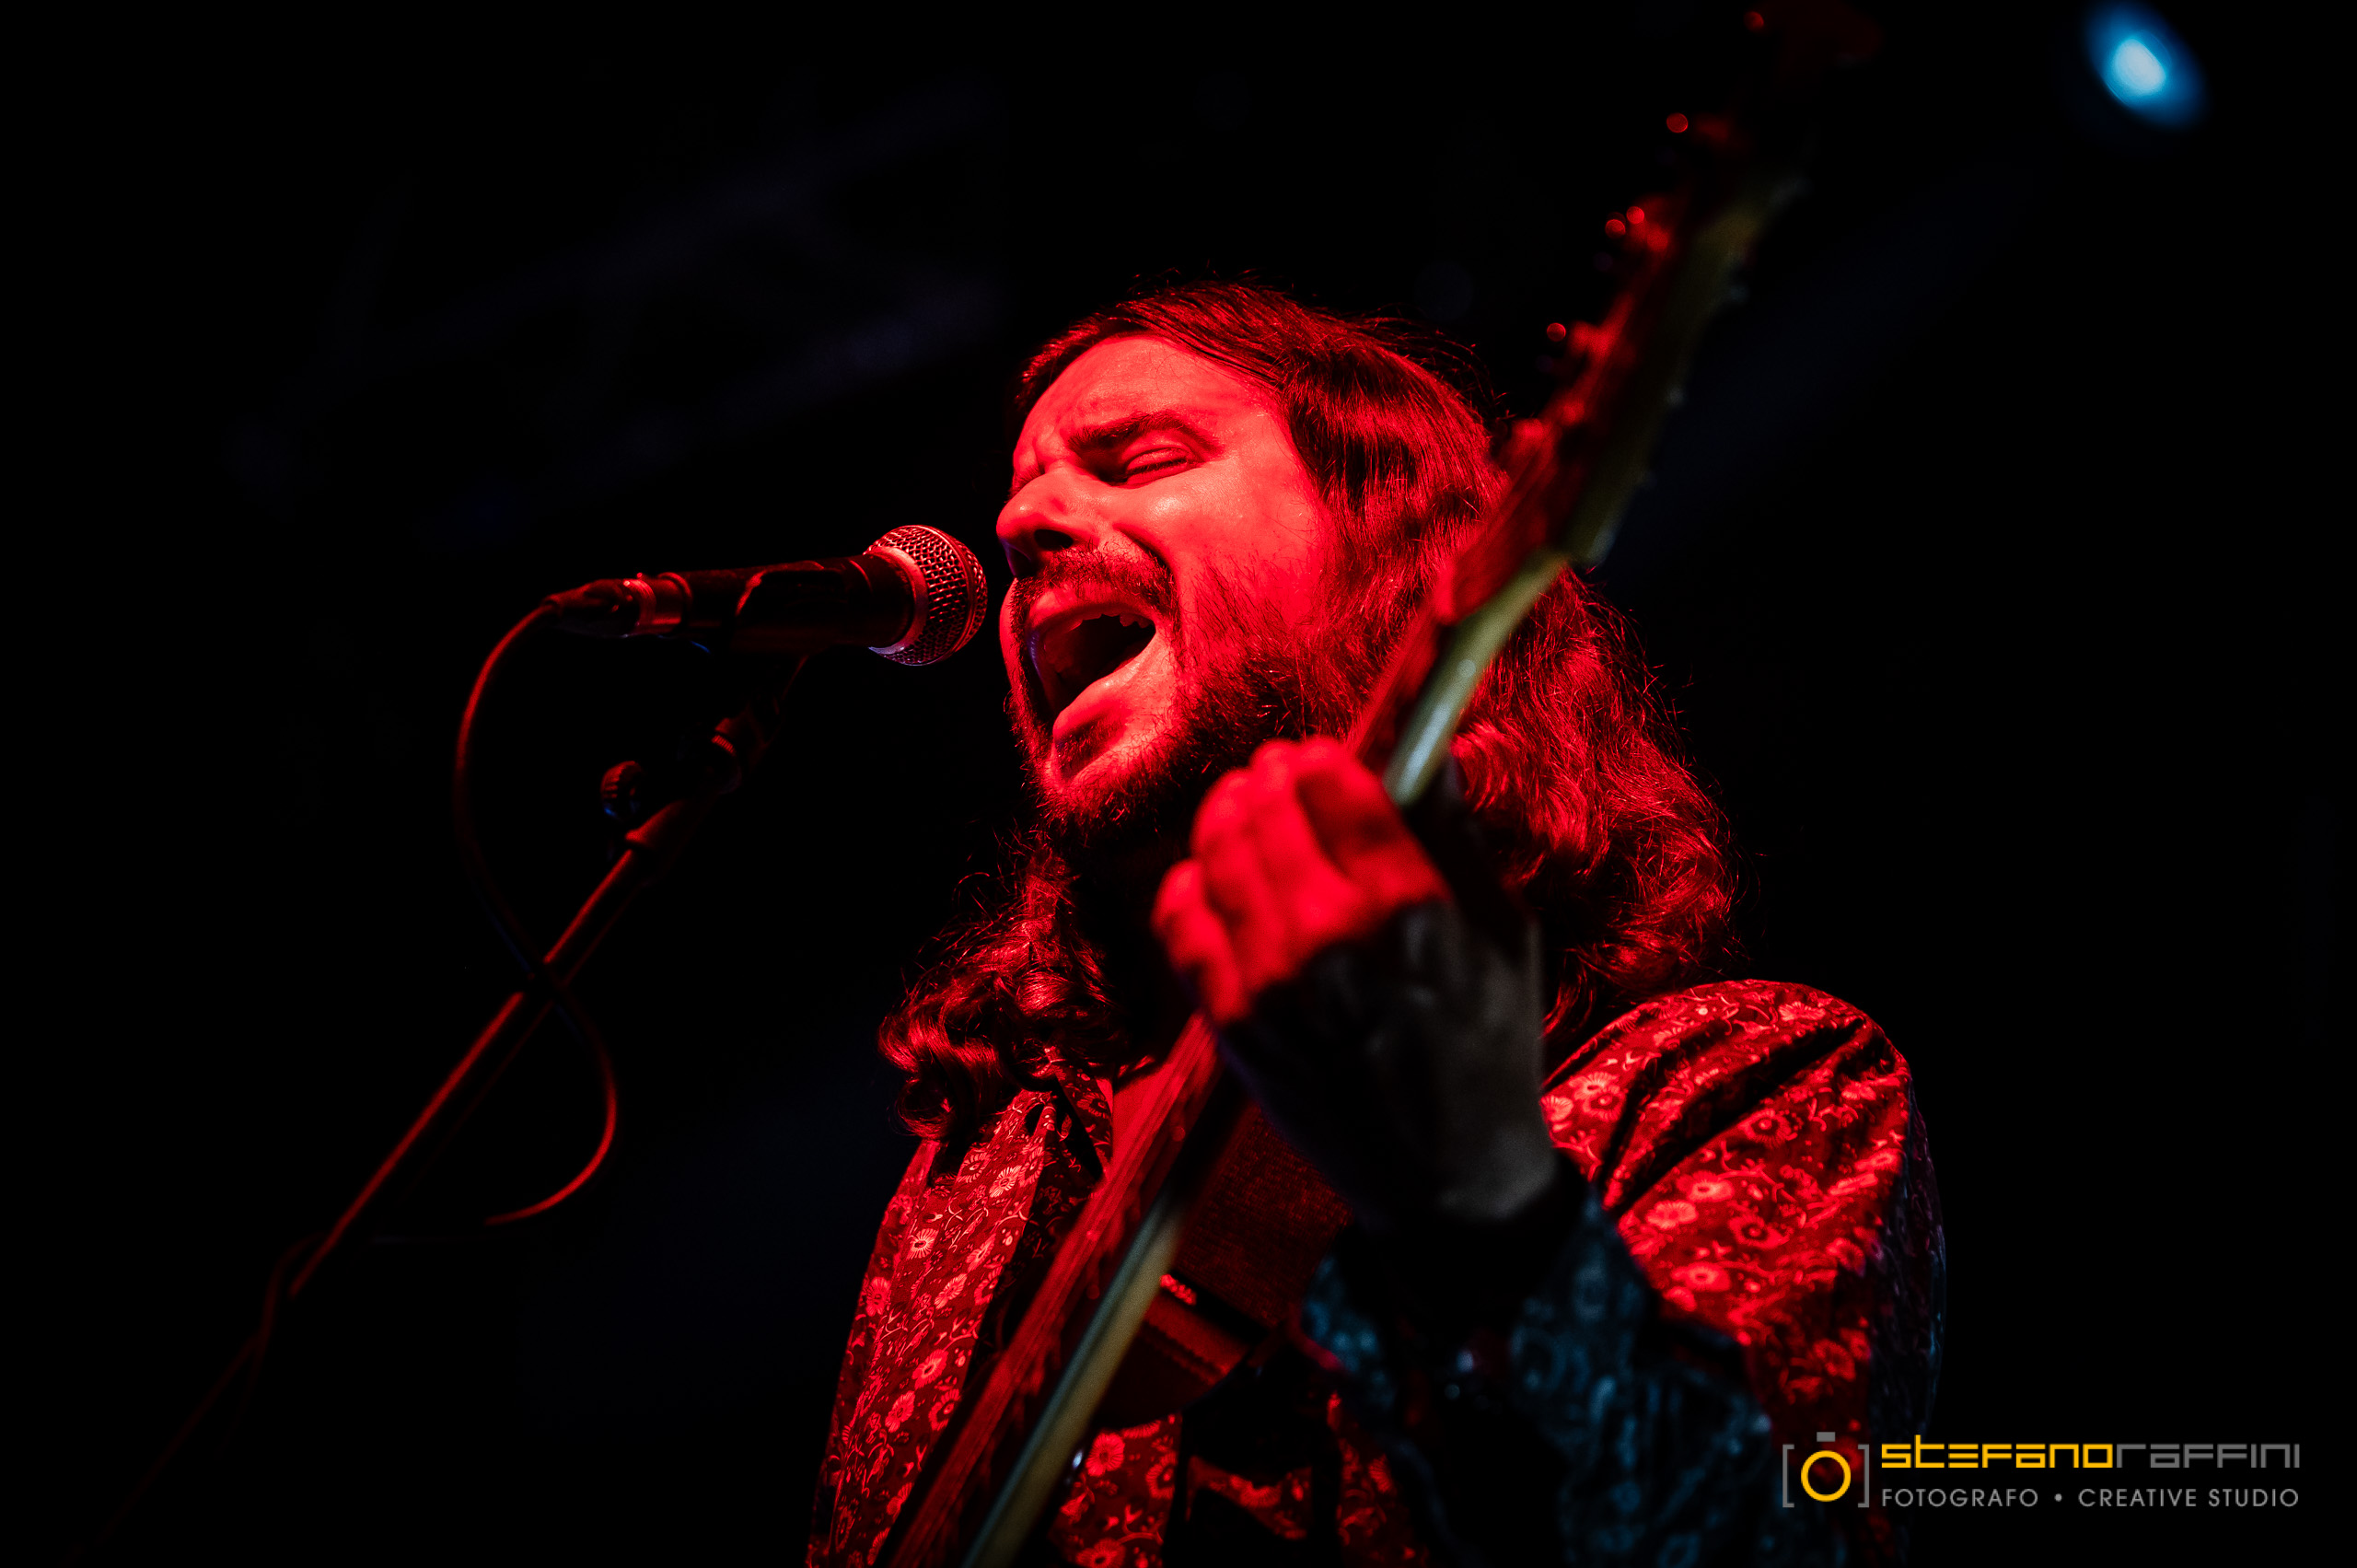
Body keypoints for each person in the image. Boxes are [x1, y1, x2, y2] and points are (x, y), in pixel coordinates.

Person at [807, 283, 1943, 1567]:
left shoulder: (1740, 1086)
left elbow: (1759, 1542)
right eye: (1022, 493)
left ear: (1384, 540)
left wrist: (1483, 1209)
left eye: (1140, 461)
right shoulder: (978, 1164)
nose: (1020, 525)